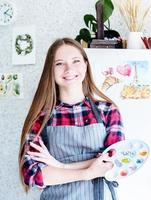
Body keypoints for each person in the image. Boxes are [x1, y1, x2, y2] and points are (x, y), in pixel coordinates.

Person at [18, 38, 125, 200]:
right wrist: (87, 173)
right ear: (51, 71)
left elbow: (114, 160)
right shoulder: (42, 118)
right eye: (60, 63)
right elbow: (32, 174)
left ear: (85, 65)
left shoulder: (108, 110)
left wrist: (60, 166)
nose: (69, 69)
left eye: (76, 61)